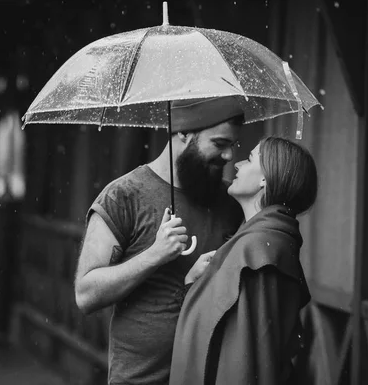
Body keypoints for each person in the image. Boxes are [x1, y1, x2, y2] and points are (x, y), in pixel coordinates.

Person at [74, 96, 245, 385]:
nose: (229, 156)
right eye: (219, 144)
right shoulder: (123, 196)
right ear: (183, 133)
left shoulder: (229, 203)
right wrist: (155, 254)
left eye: (232, 146)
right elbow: (86, 294)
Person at [170, 136, 318, 385]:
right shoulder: (262, 242)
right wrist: (193, 282)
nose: (237, 164)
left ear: (265, 178)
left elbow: (246, 360)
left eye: (249, 159)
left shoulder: (257, 250)